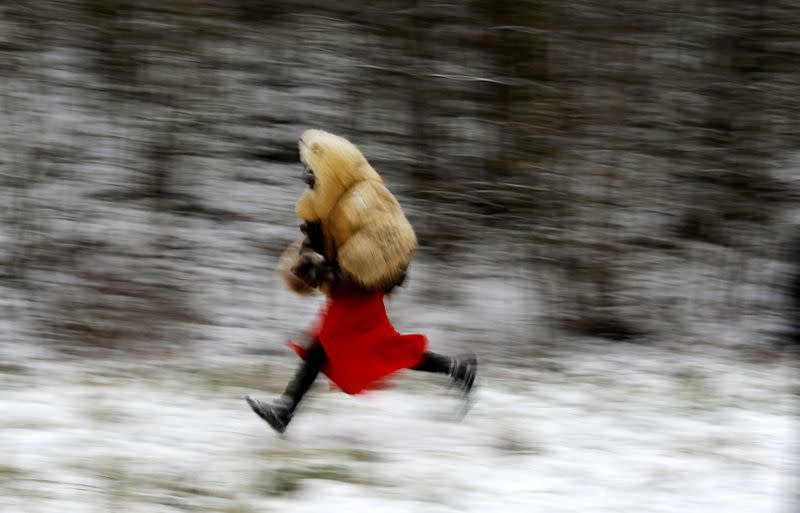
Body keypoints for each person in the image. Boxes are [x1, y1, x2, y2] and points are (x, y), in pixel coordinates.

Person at [245, 129, 477, 434]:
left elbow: (393, 236)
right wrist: (305, 261)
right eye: (306, 170)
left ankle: (285, 411)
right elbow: (312, 240)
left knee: (328, 348)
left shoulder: (365, 195)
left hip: (362, 289)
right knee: (375, 349)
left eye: (312, 170)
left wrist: (342, 267)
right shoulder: (323, 203)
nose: (307, 177)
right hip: (345, 292)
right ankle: (458, 369)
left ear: (332, 168)